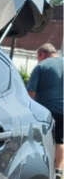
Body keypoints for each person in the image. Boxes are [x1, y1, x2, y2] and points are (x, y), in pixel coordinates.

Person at [27, 42, 63, 171]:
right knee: (60, 140)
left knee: (40, 140)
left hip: (45, 111)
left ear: (42, 54)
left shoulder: (41, 66)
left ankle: (42, 168)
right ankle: (58, 170)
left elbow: (31, 93)